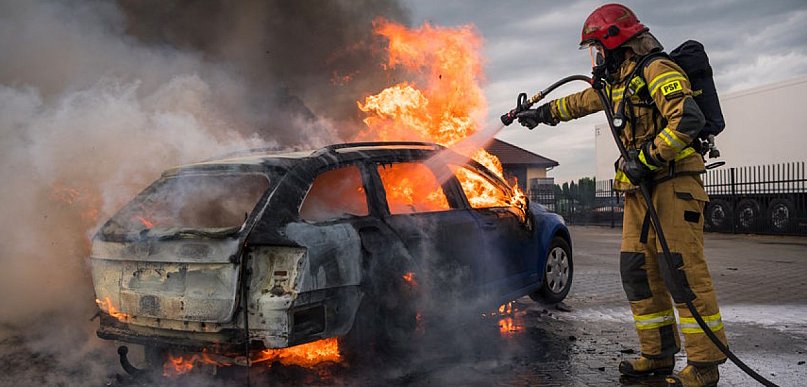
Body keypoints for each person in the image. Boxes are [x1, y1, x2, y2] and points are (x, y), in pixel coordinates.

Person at [516, 4, 727, 387]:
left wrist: (646, 157)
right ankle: (658, 354)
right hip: (639, 192)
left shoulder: (656, 70)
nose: (595, 57)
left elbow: (688, 119)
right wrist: (540, 114)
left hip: (673, 185)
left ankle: (704, 365)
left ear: (615, 42)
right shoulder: (618, 83)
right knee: (637, 271)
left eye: (597, 47)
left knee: (681, 271)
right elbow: (579, 103)